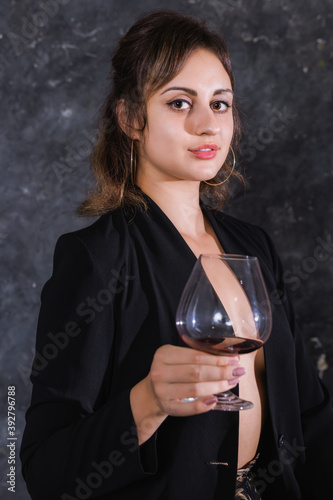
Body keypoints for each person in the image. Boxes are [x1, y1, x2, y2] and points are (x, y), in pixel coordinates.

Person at [20, 9, 333, 500]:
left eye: (221, 103)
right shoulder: (96, 257)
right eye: (180, 103)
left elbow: (311, 416)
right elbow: (43, 471)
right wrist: (146, 402)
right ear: (130, 119)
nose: (208, 124)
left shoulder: (254, 247)